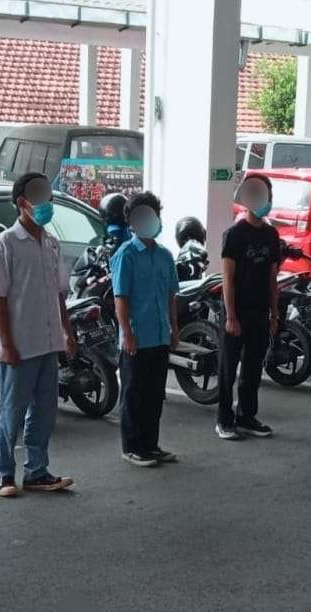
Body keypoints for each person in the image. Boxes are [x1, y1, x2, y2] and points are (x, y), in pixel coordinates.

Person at [0, 172, 76, 497]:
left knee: (44, 410)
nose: (45, 203)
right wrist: (6, 343)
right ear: (21, 202)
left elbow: (59, 294)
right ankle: (4, 474)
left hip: (48, 342)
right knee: (12, 410)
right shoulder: (5, 244)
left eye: (48, 195)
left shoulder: (52, 243)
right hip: (20, 344)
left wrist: (68, 332)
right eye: (38, 196)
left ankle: (37, 472)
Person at [110, 192, 180, 467]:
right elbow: (121, 297)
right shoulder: (125, 255)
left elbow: (170, 296)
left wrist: (174, 329)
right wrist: (126, 332)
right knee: (134, 393)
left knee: (154, 394)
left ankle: (151, 444)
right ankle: (132, 447)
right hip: (137, 337)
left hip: (160, 335)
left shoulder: (164, 256)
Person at [215, 173, 282, 439]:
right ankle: (224, 420)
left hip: (259, 312)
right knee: (228, 370)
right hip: (236, 312)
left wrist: (274, 313)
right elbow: (227, 278)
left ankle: (247, 416)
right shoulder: (234, 234)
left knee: (253, 368)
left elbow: (272, 278)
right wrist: (231, 316)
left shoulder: (271, 234)